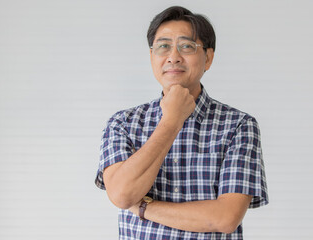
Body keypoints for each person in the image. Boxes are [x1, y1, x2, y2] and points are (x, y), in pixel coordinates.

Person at [95, 6, 268, 239]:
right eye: (163, 46)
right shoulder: (123, 123)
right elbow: (122, 196)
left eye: (186, 46)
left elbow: (226, 218)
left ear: (208, 57)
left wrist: (144, 207)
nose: (173, 56)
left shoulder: (238, 126)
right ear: (151, 57)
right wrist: (172, 121)